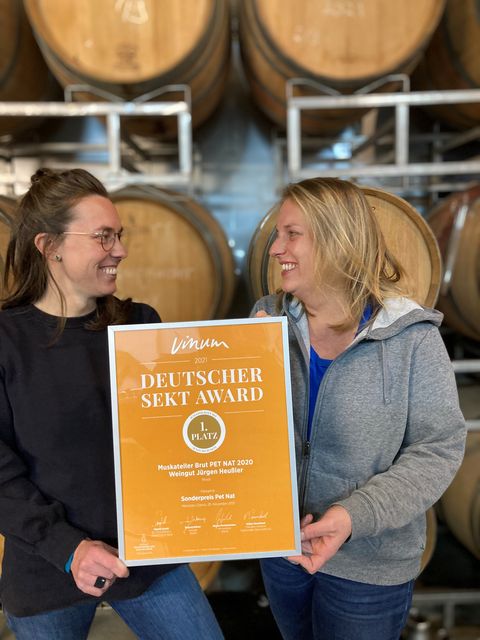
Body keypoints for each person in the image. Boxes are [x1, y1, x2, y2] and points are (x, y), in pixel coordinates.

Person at [0, 168, 224, 640]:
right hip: (46, 565)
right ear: (50, 246)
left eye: (119, 236)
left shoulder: (140, 324)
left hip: (147, 558)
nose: (120, 250)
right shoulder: (7, 341)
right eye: (104, 237)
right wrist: (70, 549)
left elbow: (181, 439)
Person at [251, 177, 466, 640]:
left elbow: (437, 449)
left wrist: (353, 516)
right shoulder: (266, 320)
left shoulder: (412, 338)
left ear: (337, 240)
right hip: (283, 551)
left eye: (292, 234)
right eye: (277, 235)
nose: (276, 249)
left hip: (369, 564)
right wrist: (244, 358)